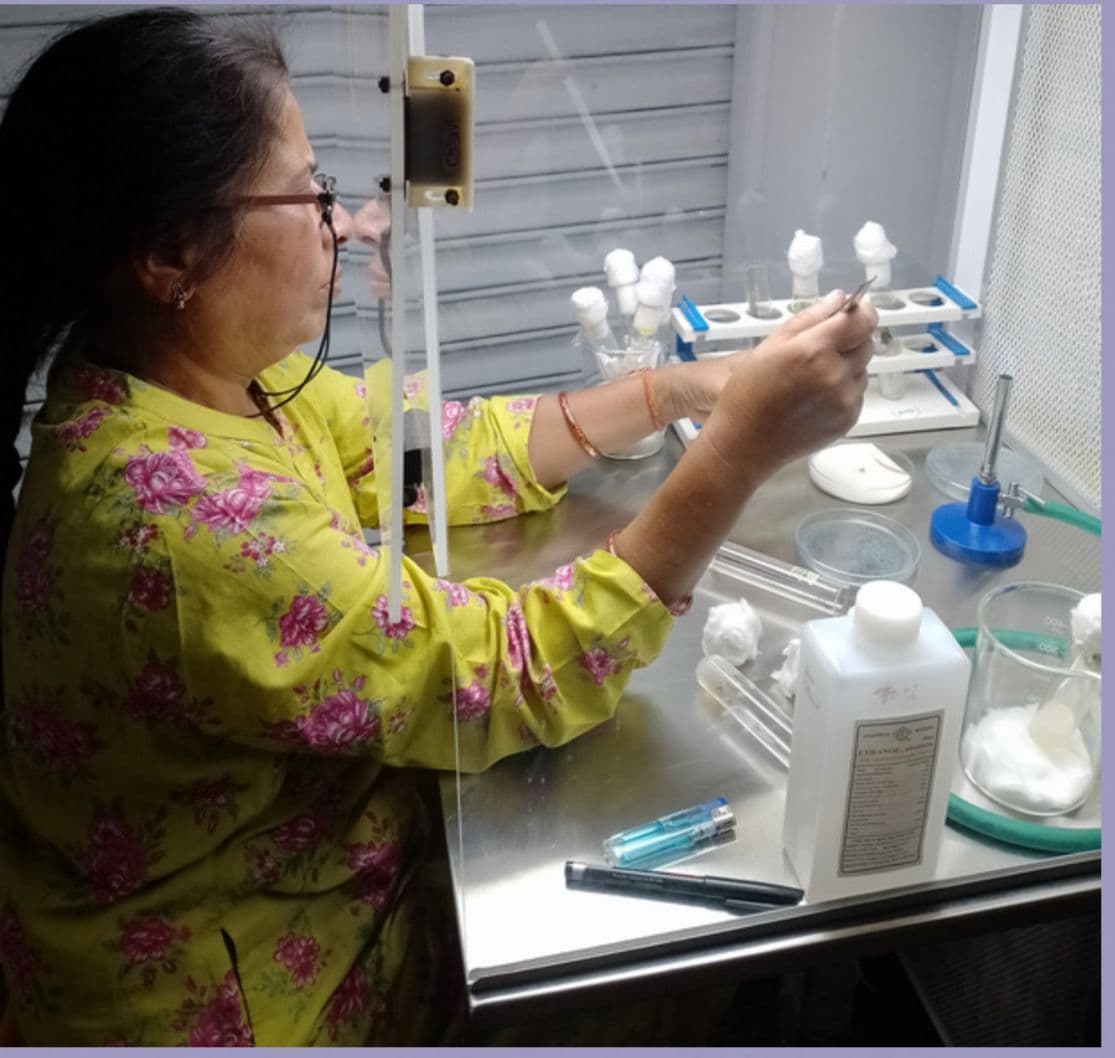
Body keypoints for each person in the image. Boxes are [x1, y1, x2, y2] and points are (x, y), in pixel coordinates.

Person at [0, 7, 876, 1046]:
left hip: (304, 880)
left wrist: (674, 387)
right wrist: (734, 449)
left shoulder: (206, 379)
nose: (343, 221)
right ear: (170, 251)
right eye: (307, 191)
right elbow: (505, 674)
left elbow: (422, 450)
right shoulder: (176, 521)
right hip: (242, 992)